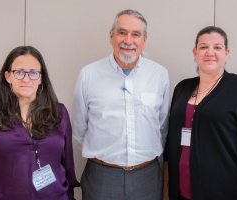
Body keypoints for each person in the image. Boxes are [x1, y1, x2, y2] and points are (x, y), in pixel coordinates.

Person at [72, 9, 170, 200]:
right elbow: (79, 128)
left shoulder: (159, 75)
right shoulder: (88, 75)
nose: (128, 40)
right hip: (102, 176)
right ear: (111, 36)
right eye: (122, 32)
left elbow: (163, 126)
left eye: (136, 34)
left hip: (147, 176)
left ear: (144, 40)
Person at [163, 26, 237, 200]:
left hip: (229, 193)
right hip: (182, 193)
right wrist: (166, 185)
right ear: (195, 52)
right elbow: (171, 141)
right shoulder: (182, 88)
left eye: (217, 47)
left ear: (226, 53)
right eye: (203, 47)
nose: (209, 52)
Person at [0, 46, 80, 200]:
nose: (26, 79)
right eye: (19, 72)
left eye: (33, 73)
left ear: (41, 78)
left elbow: (68, 165)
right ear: (8, 77)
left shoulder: (58, 113)